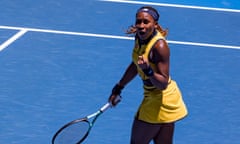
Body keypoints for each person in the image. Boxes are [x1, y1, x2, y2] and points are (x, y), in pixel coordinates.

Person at [108, 6, 188, 144]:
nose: (141, 26)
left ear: (155, 24)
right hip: (160, 98)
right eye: (138, 22)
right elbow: (135, 64)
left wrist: (148, 70)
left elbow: (162, 83)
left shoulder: (160, 47)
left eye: (146, 22)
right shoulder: (139, 38)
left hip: (159, 99)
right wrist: (119, 87)